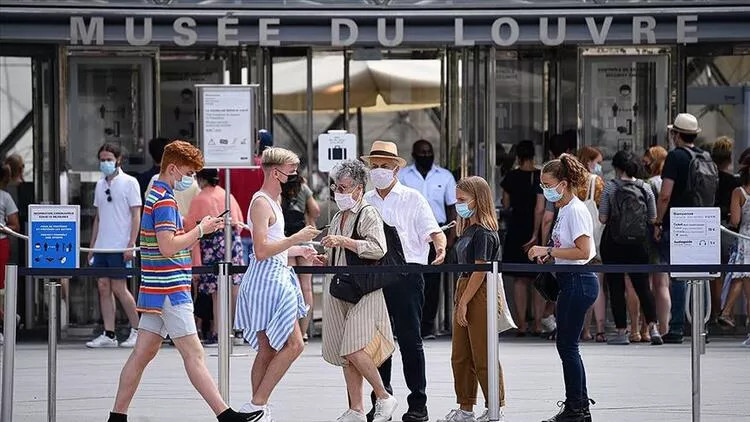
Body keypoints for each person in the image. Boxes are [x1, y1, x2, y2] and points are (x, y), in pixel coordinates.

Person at [107, 140, 260, 422]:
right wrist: (200, 230)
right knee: (194, 354)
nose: (190, 179)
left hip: (156, 288)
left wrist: (199, 229)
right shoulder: (164, 200)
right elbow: (168, 246)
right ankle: (225, 415)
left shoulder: (155, 194)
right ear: (174, 168)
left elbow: (166, 242)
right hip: (170, 288)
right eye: (188, 173)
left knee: (142, 355)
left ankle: (117, 417)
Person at [362, 140, 447, 422]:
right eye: (374, 166)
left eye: (385, 166)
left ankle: (417, 403)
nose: (379, 171)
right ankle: (381, 400)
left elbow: (433, 229)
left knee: (410, 339)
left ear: (396, 169)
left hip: (409, 274)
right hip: (374, 276)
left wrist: (440, 245)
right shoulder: (366, 201)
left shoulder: (412, 198)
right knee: (377, 343)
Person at [234, 147, 320, 421]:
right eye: (291, 171)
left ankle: (256, 406)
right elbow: (261, 249)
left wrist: (299, 250)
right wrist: (296, 240)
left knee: (268, 348)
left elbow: (272, 244)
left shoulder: (272, 199)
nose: (294, 175)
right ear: (275, 172)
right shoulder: (261, 202)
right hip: (268, 278)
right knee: (293, 345)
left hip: (274, 275)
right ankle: (257, 404)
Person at [318, 160, 398, 422]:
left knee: (353, 348)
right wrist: (323, 257)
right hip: (342, 289)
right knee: (345, 352)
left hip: (363, 290)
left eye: (344, 187)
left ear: (359, 189)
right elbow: (337, 253)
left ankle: (384, 397)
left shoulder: (368, 213)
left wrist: (343, 241)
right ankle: (356, 409)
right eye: (336, 187)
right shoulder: (339, 216)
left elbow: (378, 248)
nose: (339, 192)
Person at [528, 154, 598, 422]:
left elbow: (584, 249)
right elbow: (569, 248)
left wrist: (548, 249)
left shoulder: (575, 210)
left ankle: (577, 407)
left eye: (548, 184)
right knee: (567, 345)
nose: (545, 190)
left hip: (578, 280)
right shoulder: (565, 210)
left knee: (567, 345)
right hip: (571, 280)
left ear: (564, 183)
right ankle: (577, 404)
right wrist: (551, 254)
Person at [438, 176, 506, 422]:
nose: (458, 205)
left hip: (479, 289)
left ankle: (494, 404)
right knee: (461, 354)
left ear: (478, 200)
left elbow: (481, 270)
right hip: (464, 285)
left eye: (462, 200)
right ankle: (466, 405)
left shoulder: (485, 233)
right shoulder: (467, 229)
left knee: (483, 351)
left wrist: (465, 301)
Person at [655, 113, 717, 344]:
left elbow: (665, 195)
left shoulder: (676, 157)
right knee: (700, 277)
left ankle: (677, 327)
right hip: (703, 222)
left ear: (676, 134)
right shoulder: (706, 156)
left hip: (680, 222)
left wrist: (658, 221)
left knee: (679, 276)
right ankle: (702, 327)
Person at [598, 150, 662, 346]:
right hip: (639, 244)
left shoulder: (610, 187)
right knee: (643, 286)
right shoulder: (645, 187)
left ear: (617, 168)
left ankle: (621, 332)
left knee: (616, 286)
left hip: (614, 243)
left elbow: (602, 218)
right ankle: (653, 328)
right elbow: (652, 218)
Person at [398, 139, 457, 339]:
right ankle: (406, 324)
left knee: (432, 283)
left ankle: (428, 326)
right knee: (408, 281)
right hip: (409, 235)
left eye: (428, 151)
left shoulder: (445, 176)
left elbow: (452, 208)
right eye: (421, 152)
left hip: (436, 233)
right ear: (414, 155)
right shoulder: (404, 176)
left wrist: (449, 238)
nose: (426, 155)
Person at [86, 143, 141, 349]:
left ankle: (137, 329)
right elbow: (98, 218)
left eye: (109, 159)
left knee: (120, 287)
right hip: (102, 245)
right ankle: (109, 333)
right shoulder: (100, 185)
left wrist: (131, 243)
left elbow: (136, 215)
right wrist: (92, 246)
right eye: (102, 159)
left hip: (120, 244)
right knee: (103, 287)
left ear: (118, 159)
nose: (105, 163)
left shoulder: (130, 182)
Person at [184, 168, 245, 346]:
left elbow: (191, 229)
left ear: (201, 179)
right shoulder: (227, 195)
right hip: (233, 241)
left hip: (211, 243)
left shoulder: (199, 199)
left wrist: (196, 261)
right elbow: (238, 221)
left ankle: (219, 332)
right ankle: (236, 330)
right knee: (233, 288)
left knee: (217, 292)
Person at [500, 140, 545, 336]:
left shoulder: (511, 176)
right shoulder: (541, 176)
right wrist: (536, 234)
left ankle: (521, 324)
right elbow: (540, 207)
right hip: (539, 229)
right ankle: (538, 323)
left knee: (520, 279)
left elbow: (506, 203)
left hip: (517, 227)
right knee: (538, 276)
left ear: (518, 155)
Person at [222, 129, 273, 264]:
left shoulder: (226, 168)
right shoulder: (265, 168)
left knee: (239, 280)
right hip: (261, 231)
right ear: (256, 141)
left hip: (234, 230)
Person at [281, 172, 321, 341]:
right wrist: (308, 217)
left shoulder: (278, 188)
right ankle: (303, 331)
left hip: (286, 240)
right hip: (304, 237)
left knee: (290, 284)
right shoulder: (303, 187)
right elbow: (316, 210)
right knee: (306, 287)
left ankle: (293, 330)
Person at [717, 155, 750, 343]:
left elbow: (735, 221)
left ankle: (727, 311)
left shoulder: (739, 192)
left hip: (745, 240)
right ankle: (727, 312)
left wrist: (730, 218)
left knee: (745, 282)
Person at [575, 146, 606, 343]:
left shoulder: (571, 183)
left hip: (576, 242)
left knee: (578, 286)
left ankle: (583, 329)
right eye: (598, 162)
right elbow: (604, 213)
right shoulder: (597, 183)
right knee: (598, 285)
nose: (599, 166)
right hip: (595, 240)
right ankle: (600, 329)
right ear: (589, 162)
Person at [711, 137, 741, 325]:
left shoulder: (708, 177)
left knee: (714, 275)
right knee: (731, 272)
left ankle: (716, 311)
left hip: (711, 226)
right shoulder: (732, 182)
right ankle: (725, 310)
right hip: (728, 229)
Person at [642, 146, 670, 336]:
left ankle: (649, 327)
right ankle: (665, 327)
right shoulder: (669, 182)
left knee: (650, 284)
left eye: (648, 159)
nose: (645, 162)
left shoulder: (649, 184)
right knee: (664, 283)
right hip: (669, 234)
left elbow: (648, 213)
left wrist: (656, 224)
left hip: (652, 234)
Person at [0, 164, 20, 346]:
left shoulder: (5, 197)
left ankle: (5, 324)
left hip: (1, 243)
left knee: (0, 286)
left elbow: (15, 225)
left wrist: (3, 227)